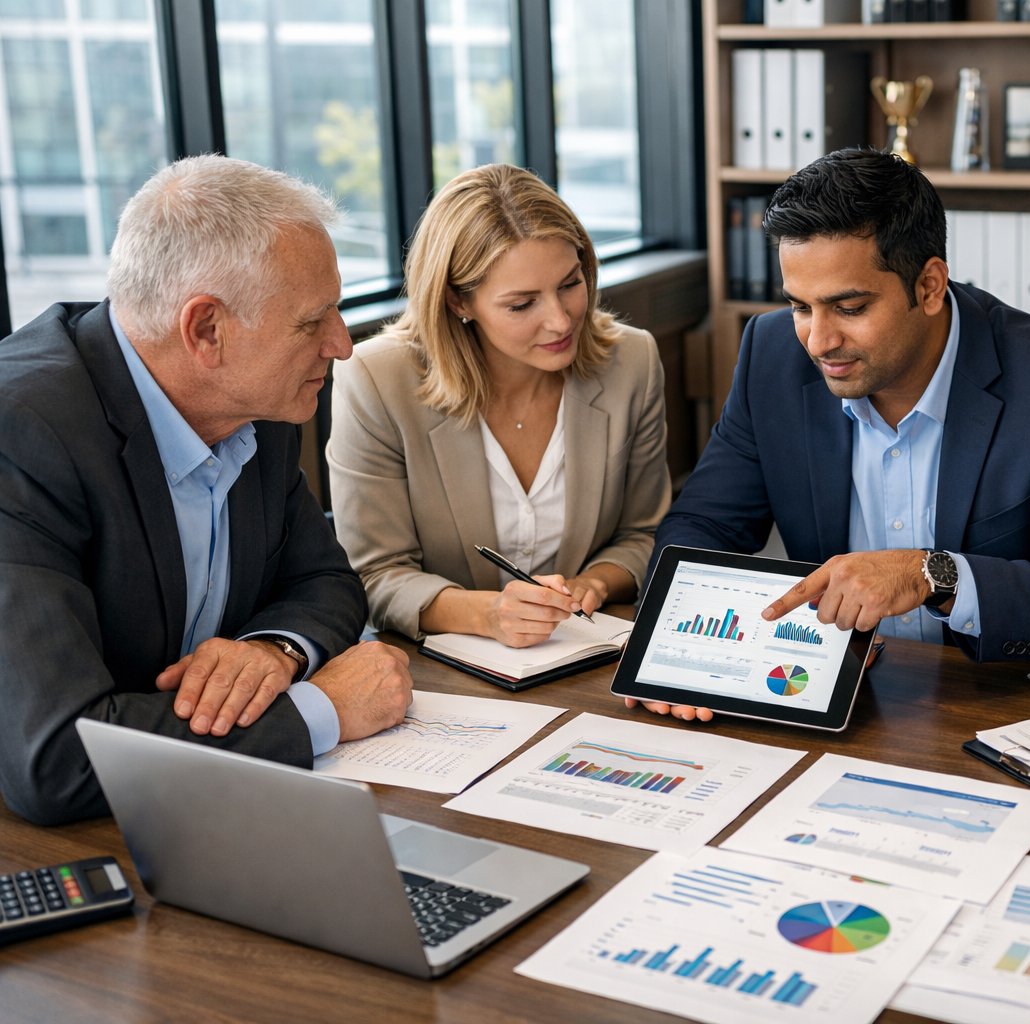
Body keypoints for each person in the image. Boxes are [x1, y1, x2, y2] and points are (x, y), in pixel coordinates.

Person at [632, 148, 1030, 721]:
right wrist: (679, 649)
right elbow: (702, 527)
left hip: (1000, 704)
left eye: (849, 307)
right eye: (800, 307)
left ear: (929, 286)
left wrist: (934, 575)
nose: (818, 341)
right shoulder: (772, 355)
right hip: (836, 694)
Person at [0, 156, 413, 827]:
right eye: (313, 322)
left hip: (198, 812)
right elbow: (55, 761)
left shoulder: (255, 404)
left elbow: (325, 581)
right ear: (206, 330)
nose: (341, 345)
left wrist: (272, 652)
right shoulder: (21, 433)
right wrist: (319, 711)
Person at [326, 164, 669, 648]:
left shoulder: (632, 361)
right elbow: (375, 574)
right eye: (522, 304)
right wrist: (489, 614)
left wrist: (595, 582)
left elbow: (645, 532)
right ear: (457, 302)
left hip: (585, 649)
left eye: (570, 284)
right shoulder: (377, 379)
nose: (560, 320)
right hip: (438, 666)